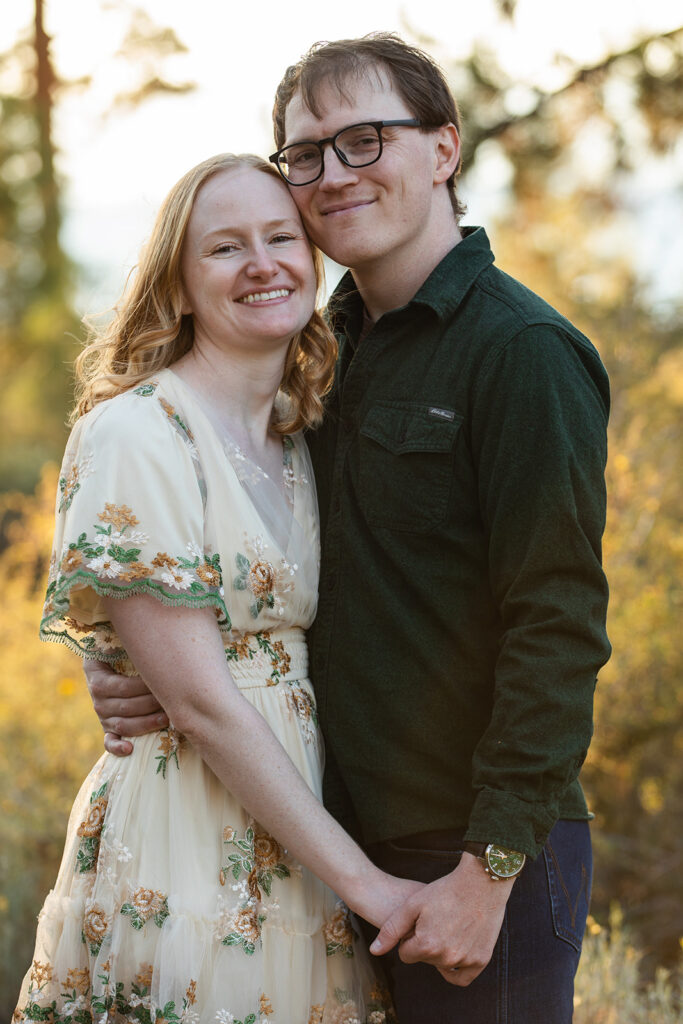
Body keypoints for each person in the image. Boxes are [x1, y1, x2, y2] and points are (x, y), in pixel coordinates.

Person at [83, 34, 612, 1024]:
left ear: (443, 148)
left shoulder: (521, 354)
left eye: (363, 141)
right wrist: (130, 657)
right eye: (306, 154)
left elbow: (558, 626)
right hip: (324, 850)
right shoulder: (320, 352)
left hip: (465, 857)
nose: (331, 175)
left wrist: (485, 873)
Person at [14, 153, 419, 1024]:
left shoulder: (298, 428)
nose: (263, 264)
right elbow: (197, 702)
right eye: (225, 248)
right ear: (180, 284)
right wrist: (368, 887)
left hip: (299, 829)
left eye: (281, 238)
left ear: (314, 262)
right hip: (185, 837)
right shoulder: (138, 431)